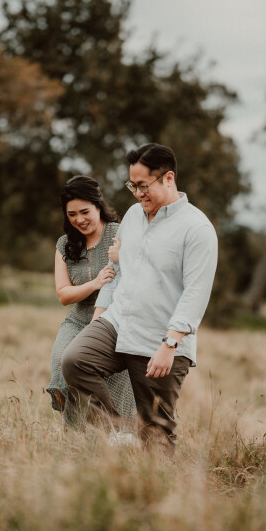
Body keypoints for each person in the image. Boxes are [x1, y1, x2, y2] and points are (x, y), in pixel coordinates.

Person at [61, 144, 218, 455]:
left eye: (143, 185)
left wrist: (170, 344)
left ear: (168, 178)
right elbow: (118, 269)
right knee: (75, 361)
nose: (137, 194)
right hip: (118, 322)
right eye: (132, 185)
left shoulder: (197, 229)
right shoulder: (133, 216)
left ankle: (156, 480)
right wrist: (99, 316)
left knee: (156, 431)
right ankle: (119, 433)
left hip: (161, 339)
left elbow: (196, 293)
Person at [46, 175, 136, 427]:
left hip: (113, 322)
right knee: (62, 362)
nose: (79, 220)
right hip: (78, 320)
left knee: (108, 382)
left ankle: (112, 431)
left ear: (98, 205)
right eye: (72, 214)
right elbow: (64, 294)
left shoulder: (119, 233)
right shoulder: (65, 244)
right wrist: (95, 283)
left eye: (85, 212)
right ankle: (75, 434)